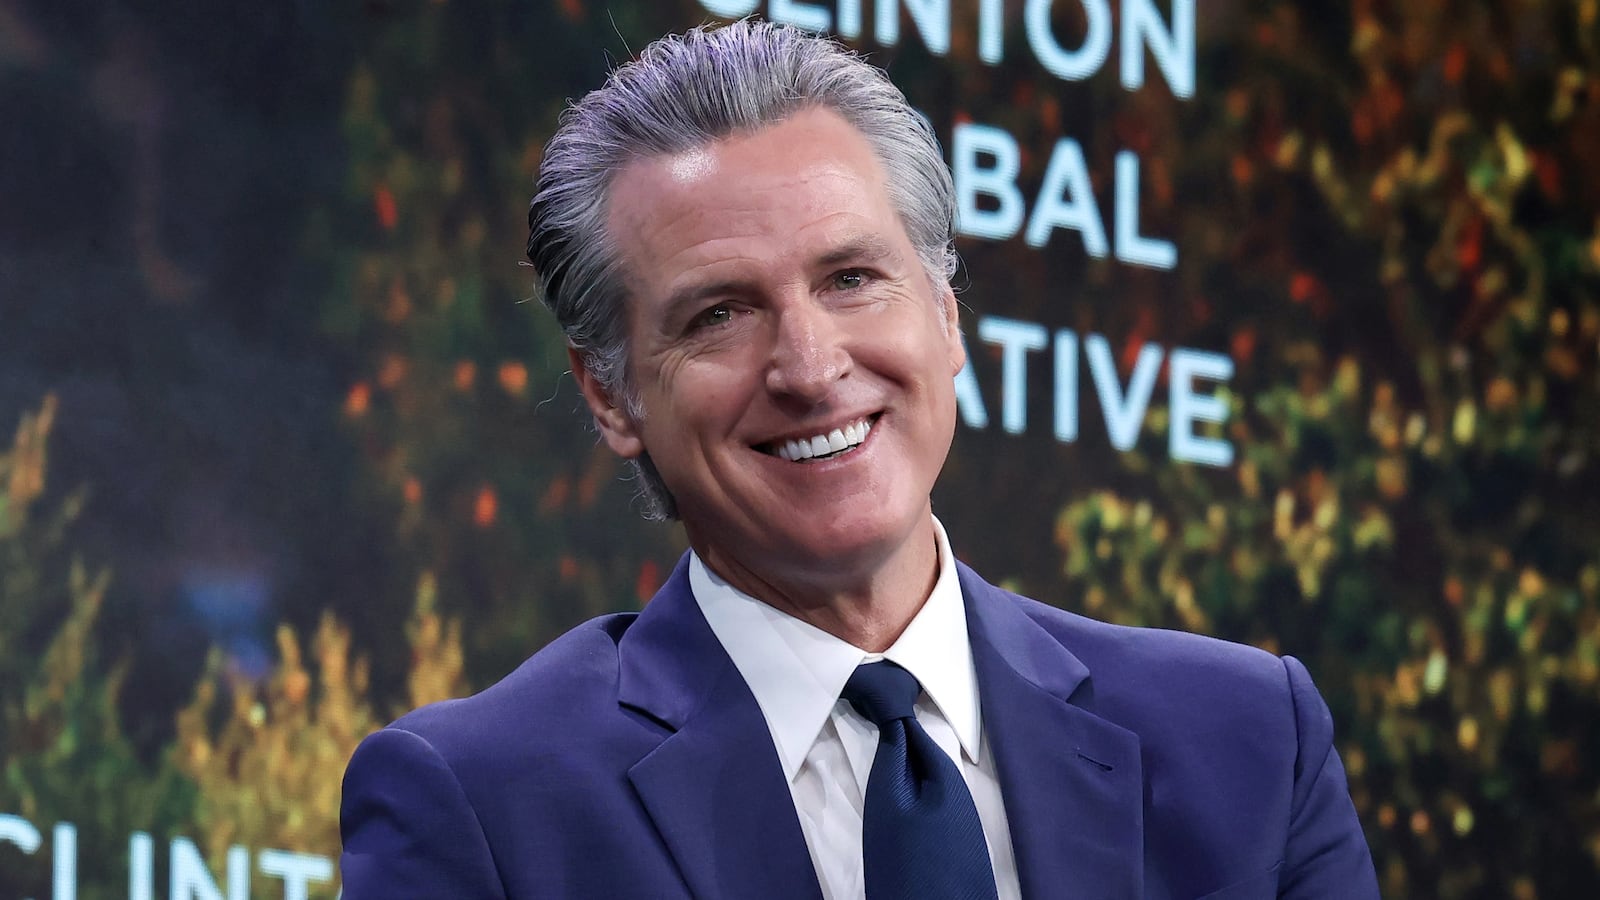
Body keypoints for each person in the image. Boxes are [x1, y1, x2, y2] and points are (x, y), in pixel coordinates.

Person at [339, 20, 1379, 899]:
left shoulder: (1247, 745)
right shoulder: (480, 807)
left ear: (944, 315)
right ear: (611, 392)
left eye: (850, 278)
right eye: (719, 313)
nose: (809, 364)